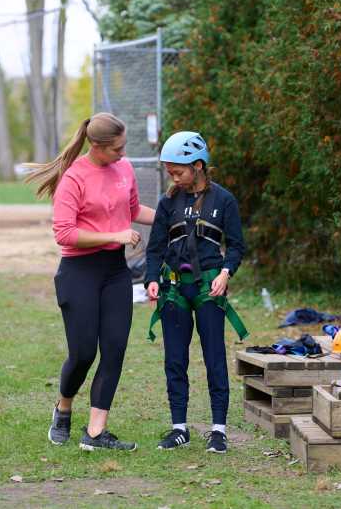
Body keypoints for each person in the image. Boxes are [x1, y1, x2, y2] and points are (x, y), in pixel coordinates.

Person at [25, 112, 155, 452]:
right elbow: (65, 233)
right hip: (79, 272)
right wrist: (115, 234)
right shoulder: (74, 178)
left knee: (114, 349)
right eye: (117, 149)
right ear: (97, 147)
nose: (123, 155)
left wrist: (171, 218)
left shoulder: (124, 170)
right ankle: (63, 406)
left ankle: (96, 433)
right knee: (83, 353)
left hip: (115, 272)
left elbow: (132, 209)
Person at [145, 131, 247, 454]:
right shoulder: (168, 202)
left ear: (199, 166)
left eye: (178, 172)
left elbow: (236, 246)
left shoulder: (223, 201)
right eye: (170, 172)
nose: (173, 178)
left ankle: (218, 430)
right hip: (174, 289)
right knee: (175, 360)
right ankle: (179, 428)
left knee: (214, 357)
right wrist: (151, 278)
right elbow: (155, 248)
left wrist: (227, 273)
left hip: (209, 289)